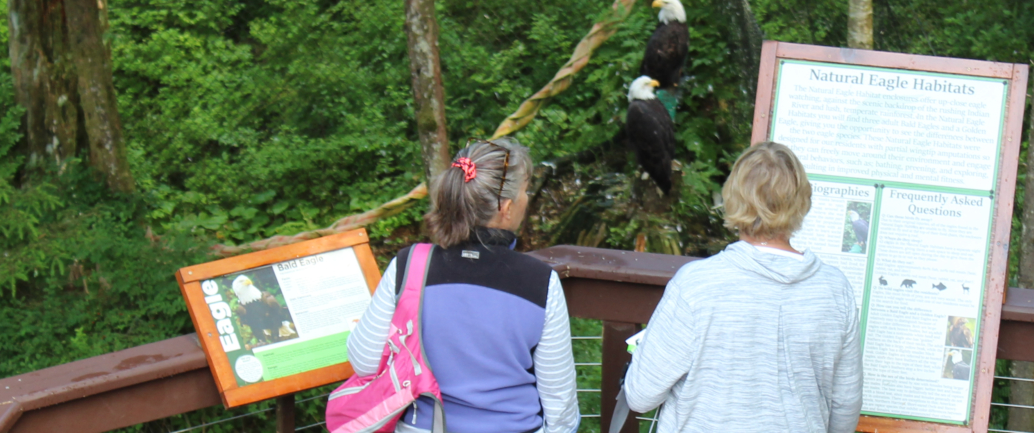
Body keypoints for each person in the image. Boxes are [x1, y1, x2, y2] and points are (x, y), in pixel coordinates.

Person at [623, 142, 864, 433]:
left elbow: (639, 395)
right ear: (801, 200)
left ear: (733, 197)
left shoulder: (695, 286)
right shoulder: (835, 290)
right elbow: (845, 408)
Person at [346, 139, 579, 433]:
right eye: (525, 191)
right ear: (506, 207)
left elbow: (365, 362)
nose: (527, 198)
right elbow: (561, 408)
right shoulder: (540, 281)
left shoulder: (410, 265)